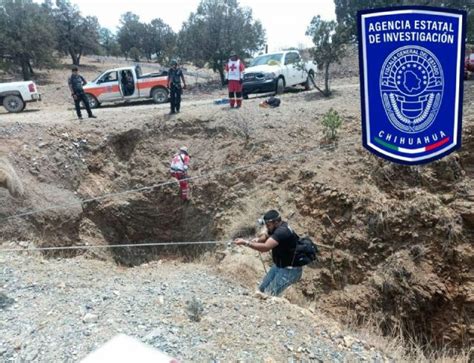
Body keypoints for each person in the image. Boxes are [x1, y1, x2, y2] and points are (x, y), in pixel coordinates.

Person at [234, 210, 302, 296]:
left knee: (269, 294)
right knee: (261, 290)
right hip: (279, 265)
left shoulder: (282, 232)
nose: (267, 227)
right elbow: (267, 236)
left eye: (268, 225)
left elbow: (265, 247)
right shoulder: (277, 226)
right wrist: (258, 240)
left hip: (289, 270)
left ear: (276, 222)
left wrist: (246, 243)